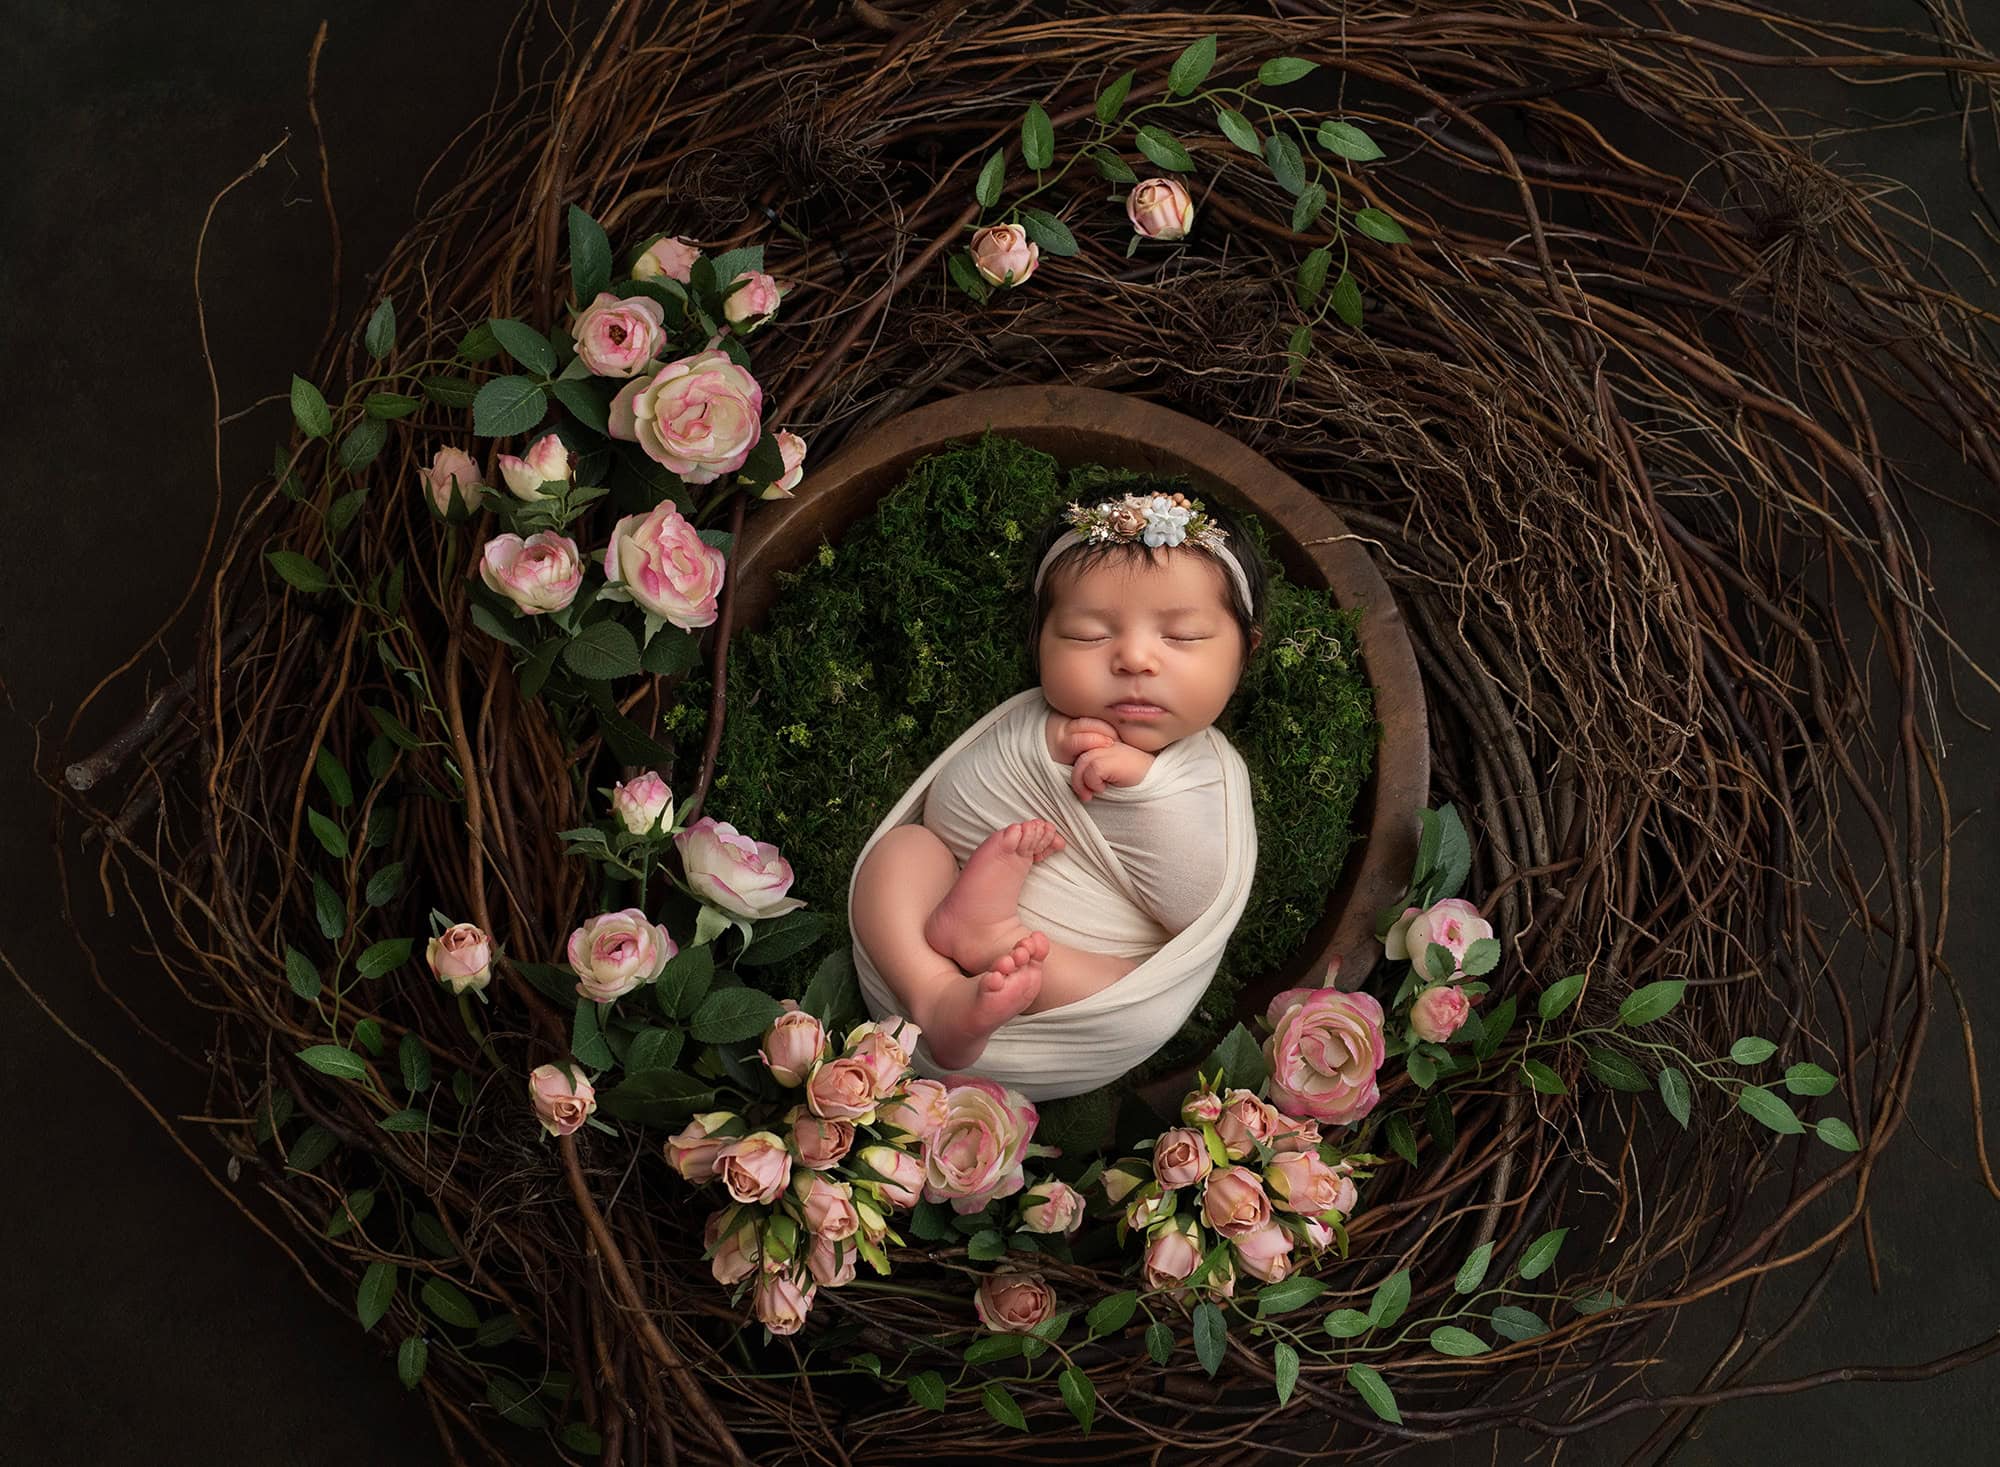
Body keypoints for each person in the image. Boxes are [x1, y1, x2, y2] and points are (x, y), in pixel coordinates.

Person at [847, 484, 1266, 1095]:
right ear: (1039, 640)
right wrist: (1045, 752)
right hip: (926, 943)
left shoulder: (1211, 776)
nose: (1135, 659)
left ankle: (995, 942)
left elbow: (1198, 906)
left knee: (1142, 1000)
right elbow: (955, 806)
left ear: (1244, 654)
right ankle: (933, 993)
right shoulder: (1031, 724)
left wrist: (1141, 791)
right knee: (904, 851)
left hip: (1067, 991)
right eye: (1090, 635)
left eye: (1181, 637)